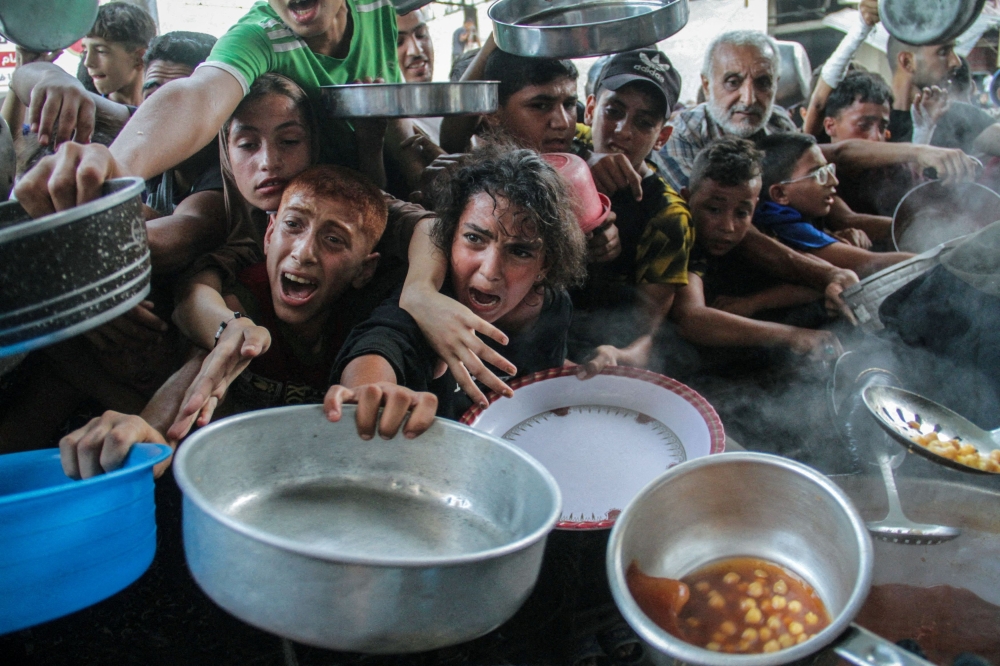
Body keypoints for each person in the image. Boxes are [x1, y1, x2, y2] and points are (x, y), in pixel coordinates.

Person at [13, 0, 400, 217]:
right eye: (249, 143)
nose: (268, 160)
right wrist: (110, 174)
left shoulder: (379, 8)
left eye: (290, 140)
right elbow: (196, 96)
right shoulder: (258, 36)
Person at [327, 145, 587, 421]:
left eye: (519, 252)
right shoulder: (428, 307)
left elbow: (539, 402)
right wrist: (372, 392)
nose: (489, 271)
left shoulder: (553, 308)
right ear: (450, 236)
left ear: (544, 266)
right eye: (475, 239)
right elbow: (380, 344)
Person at [671, 138, 845, 372]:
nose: (728, 226)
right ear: (686, 198)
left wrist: (754, 303)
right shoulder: (685, 237)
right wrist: (793, 336)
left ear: (755, 207)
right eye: (714, 209)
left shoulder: (754, 238)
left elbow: (813, 280)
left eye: (742, 213)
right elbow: (692, 319)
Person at [570, 48, 692, 372]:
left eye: (643, 122)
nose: (623, 131)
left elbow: (647, 331)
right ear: (591, 109)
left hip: (601, 355)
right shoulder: (562, 153)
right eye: (613, 111)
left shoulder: (668, 215)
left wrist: (618, 356)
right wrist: (582, 170)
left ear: (662, 136)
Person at [755, 132, 912, 278]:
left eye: (828, 169)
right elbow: (870, 264)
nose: (833, 181)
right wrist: (933, 260)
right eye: (819, 174)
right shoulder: (780, 223)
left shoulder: (800, 211)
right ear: (780, 194)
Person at [886, 36, 1000, 156]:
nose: (956, 61)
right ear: (907, 62)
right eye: (943, 52)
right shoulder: (874, 119)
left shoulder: (957, 114)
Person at [81, 2, 158, 107]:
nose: (88, 62)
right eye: (85, 51)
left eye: (101, 51)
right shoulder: (86, 114)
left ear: (139, 58)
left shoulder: (165, 112)